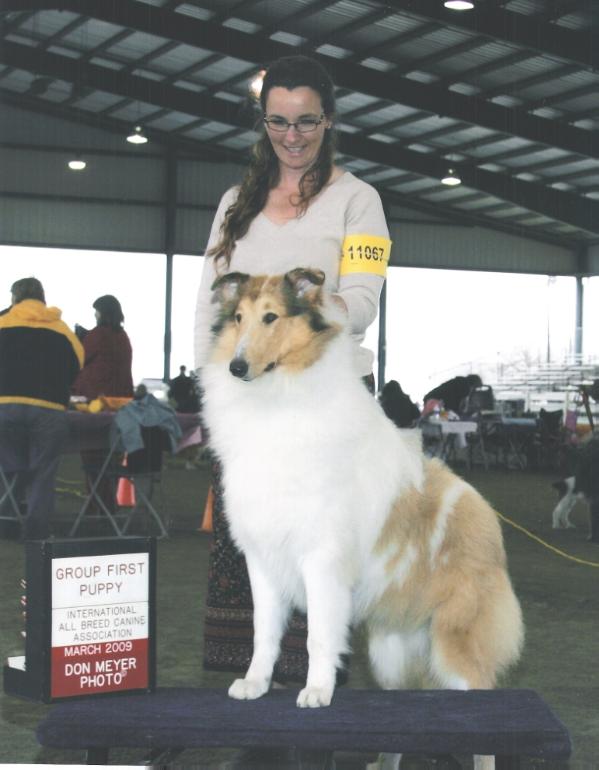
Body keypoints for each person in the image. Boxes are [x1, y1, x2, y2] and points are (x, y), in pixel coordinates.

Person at [194, 55, 391, 685]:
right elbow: (211, 305)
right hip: (249, 414)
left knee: (327, 561)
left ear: (328, 121)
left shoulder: (359, 201)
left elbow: (362, 303)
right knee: (248, 555)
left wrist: (304, 305)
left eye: (307, 122)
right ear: (264, 122)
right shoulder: (235, 203)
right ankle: (255, 699)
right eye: (279, 122)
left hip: (323, 411)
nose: (293, 136)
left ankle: (329, 707)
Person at [0, 277, 83, 540]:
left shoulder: (2, 323)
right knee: (42, 472)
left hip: (4, 408)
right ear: (43, 298)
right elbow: (77, 365)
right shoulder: (62, 329)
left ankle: (6, 519)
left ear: (14, 299)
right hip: (49, 411)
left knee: (6, 466)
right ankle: (35, 533)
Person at [72, 295, 134, 512]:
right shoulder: (123, 337)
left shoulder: (97, 335)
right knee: (111, 459)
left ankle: (96, 505)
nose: (95, 315)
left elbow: (79, 357)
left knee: (92, 456)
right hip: (120, 406)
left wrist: (81, 338)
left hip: (96, 406)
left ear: (102, 312)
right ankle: (107, 505)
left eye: (96, 311)